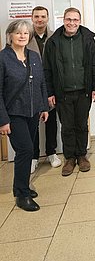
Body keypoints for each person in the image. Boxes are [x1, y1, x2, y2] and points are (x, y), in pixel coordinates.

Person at [44, 7, 95, 177]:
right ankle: (70, 158)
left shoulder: (88, 39)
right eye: (69, 19)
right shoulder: (53, 41)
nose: (72, 23)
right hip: (62, 93)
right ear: (63, 20)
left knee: (82, 125)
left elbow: (94, 64)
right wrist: (49, 92)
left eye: (75, 20)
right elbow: (47, 69)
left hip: (84, 91)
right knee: (67, 126)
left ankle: (82, 156)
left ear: (79, 21)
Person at [0, 20, 49, 211]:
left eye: (26, 33)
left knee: (27, 150)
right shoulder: (3, 58)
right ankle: (21, 194)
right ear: (10, 35)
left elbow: (42, 83)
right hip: (14, 114)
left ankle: (22, 184)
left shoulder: (34, 56)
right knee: (26, 150)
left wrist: (43, 106)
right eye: (18, 33)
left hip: (33, 112)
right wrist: (3, 120)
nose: (22, 36)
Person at [27, 6, 61, 173]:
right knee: (33, 121)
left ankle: (51, 152)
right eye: (37, 16)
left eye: (43, 16)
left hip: (50, 83)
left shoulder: (55, 36)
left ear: (47, 18)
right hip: (30, 85)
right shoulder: (24, 35)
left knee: (51, 120)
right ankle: (33, 156)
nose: (40, 19)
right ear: (32, 18)